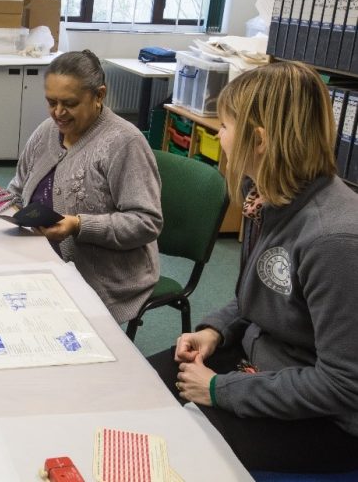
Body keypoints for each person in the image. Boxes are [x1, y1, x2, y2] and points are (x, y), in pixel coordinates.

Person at [148, 61, 358, 473]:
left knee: (173, 449)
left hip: (328, 419)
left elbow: (343, 386)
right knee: (142, 386)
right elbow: (257, 295)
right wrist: (214, 330)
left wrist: (220, 390)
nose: (216, 134)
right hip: (261, 364)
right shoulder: (263, 195)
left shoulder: (334, 241)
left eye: (223, 126)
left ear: (258, 140)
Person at [7, 50, 162, 323]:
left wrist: (79, 225)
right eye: (51, 102)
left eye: (69, 103)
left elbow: (146, 222)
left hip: (102, 277)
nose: (58, 113)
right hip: (40, 259)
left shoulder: (124, 143)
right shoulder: (46, 132)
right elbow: (16, 189)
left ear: (99, 95)